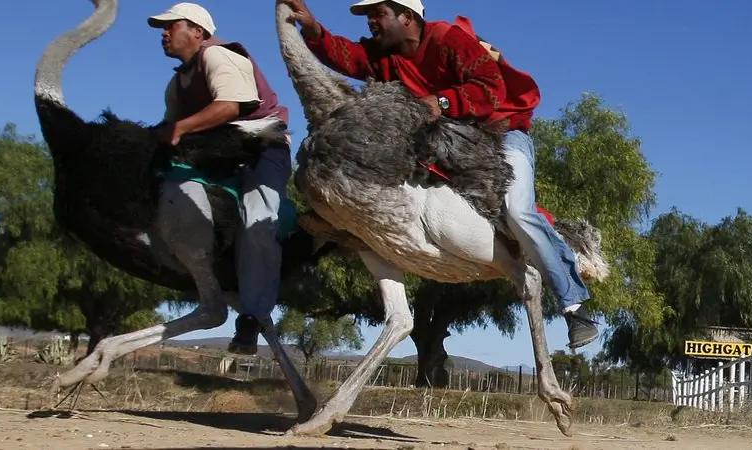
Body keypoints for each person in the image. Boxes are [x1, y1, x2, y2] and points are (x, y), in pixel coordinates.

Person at [279, 0, 599, 349]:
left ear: (407, 17)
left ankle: (574, 307)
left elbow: (491, 88)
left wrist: (441, 102)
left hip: (499, 133)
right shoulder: (387, 53)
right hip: (443, 135)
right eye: (369, 16)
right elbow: (349, 56)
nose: (371, 22)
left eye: (378, 14)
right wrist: (311, 28)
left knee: (519, 211)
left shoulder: (448, 39)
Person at [147, 2, 292, 355]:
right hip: (217, 155)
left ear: (197, 31)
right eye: (162, 28)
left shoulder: (220, 57)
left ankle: (252, 317)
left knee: (259, 221)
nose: (164, 33)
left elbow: (231, 106)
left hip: (263, 149)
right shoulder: (176, 84)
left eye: (171, 26)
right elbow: (170, 135)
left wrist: (178, 128)